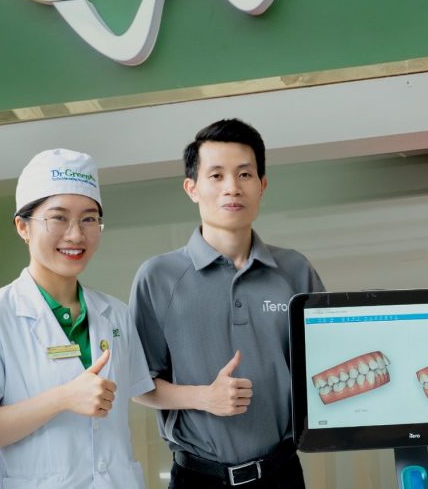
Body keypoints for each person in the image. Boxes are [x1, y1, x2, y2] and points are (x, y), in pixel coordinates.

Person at [131, 118, 325, 489]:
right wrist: (204, 397)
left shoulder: (295, 270)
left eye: (245, 175)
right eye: (216, 175)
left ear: (262, 185)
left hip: (282, 473)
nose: (232, 188)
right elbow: (137, 383)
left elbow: (324, 366)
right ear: (192, 188)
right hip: (197, 478)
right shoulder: (158, 276)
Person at [0, 148, 155, 488]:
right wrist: (62, 398)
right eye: (58, 218)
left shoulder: (116, 314)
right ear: (23, 226)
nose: (76, 235)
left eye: (89, 219)